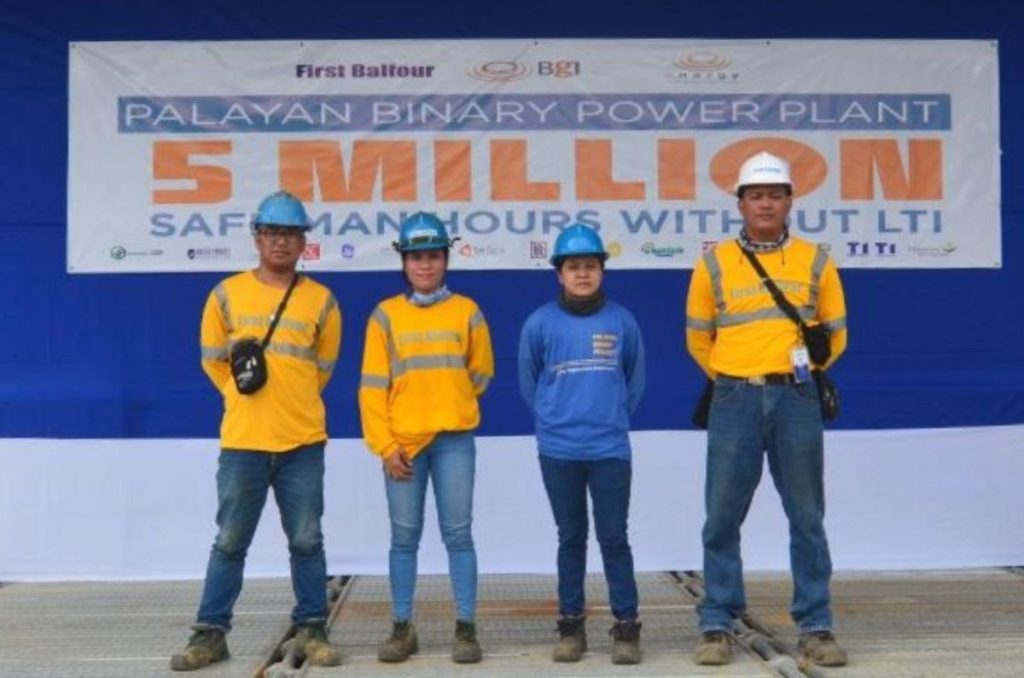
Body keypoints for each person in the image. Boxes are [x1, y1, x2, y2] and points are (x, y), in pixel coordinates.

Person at [685, 152, 849, 667]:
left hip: (796, 398)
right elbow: (697, 338)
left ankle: (816, 626)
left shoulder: (815, 260)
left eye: (774, 195)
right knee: (721, 517)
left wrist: (791, 373)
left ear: (789, 202)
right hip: (734, 397)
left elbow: (836, 334)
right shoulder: (713, 263)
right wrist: (736, 375)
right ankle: (717, 623)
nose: (765, 203)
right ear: (740, 203)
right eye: (756, 195)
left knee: (806, 516)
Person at [171, 191, 343, 672]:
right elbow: (212, 361)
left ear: (304, 241)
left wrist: (290, 400)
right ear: (257, 237)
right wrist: (243, 396)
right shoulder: (226, 293)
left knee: (307, 541)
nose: (281, 243)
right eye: (272, 233)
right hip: (244, 442)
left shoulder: (322, 301)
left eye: (291, 234)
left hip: (302, 442)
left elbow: (323, 366)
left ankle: (312, 629)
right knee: (229, 541)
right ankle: (210, 634)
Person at [358, 212, 494, 664]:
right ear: (404, 261)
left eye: (433, 256)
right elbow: (372, 389)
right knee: (404, 538)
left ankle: (466, 629)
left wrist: (446, 407)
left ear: (445, 258)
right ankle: (401, 628)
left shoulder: (468, 311)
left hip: (454, 440)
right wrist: (386, 445)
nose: (426, 265)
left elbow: (479, 374)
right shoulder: (384, 316)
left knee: (459, 535)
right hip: (403, 447)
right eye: (417, 257)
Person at [518, 224, 646, 665]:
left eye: (591, 265)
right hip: (559, 451)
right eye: (574, 266)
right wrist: (556, 420)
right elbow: (527, 383)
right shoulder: (539, 323)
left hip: (610, 449)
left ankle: (626, 629)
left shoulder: (622, 320)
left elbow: (635, 380)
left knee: (614, 538)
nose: (583, 273)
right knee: (570, 538)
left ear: (602, 271)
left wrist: (610, 419)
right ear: (559, 273)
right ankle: (571, 627)